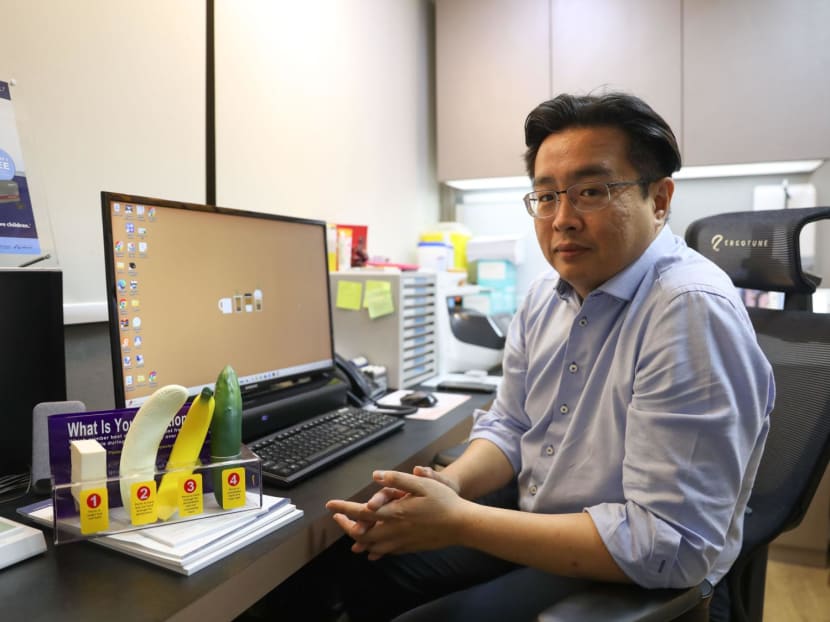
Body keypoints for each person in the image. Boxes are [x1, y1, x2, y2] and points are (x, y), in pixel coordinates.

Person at [325, 92, 775, 621]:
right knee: (353, 562)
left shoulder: (688, 311)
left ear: (659, 199)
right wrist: (451, 484)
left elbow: (668, 543)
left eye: (591, 191)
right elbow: (512, 424)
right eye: (546, 196)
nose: (562, 219)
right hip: (543, 523)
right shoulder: (546, 295)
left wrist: (458, 520)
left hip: (639, 573)